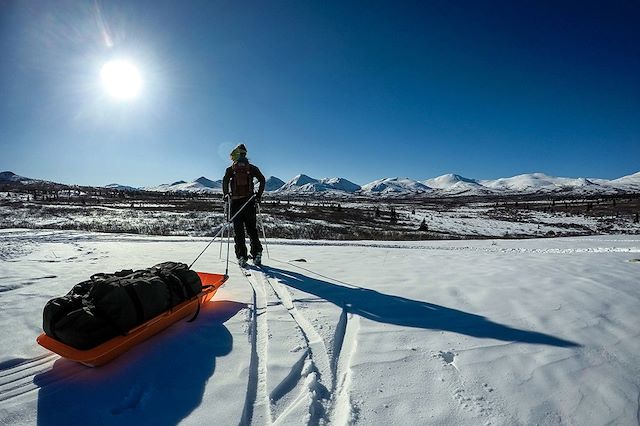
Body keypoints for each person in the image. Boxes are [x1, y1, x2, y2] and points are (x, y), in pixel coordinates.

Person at [222, 144, 266, 267]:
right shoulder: (251, 168)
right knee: (252, 230)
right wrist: (258, 196)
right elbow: (262, 180)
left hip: (235, 204)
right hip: (249, 202)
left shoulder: (231, 169)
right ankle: (257, 254)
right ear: (245, 154)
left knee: (239, 231)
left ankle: (241, 256)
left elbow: (225, 182)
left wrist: (226, 195)